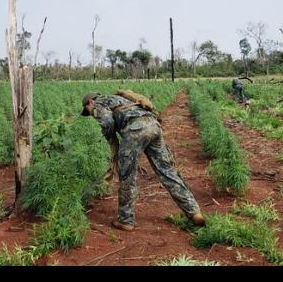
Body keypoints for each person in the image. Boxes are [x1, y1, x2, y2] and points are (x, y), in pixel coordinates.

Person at [81, 92, 205, 231]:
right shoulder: (118, 98)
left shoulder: (98, 103)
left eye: (87, 111)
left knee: (127, 175)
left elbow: (107, 122)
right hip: (153, 125)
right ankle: (193, 211)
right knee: (167, 171)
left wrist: (110, 140)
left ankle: (126, 220)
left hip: (136, 130)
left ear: (89, 102)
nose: (90, 114)